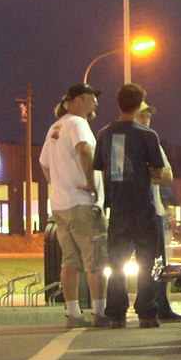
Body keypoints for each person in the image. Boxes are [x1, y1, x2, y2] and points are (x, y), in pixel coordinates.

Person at [94, 83, 171, 328]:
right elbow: (158, 172)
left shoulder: (104, 134)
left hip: (117, 207)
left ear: (118, 104)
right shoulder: (148, 135)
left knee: (116, 262)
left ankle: (116, 312)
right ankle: (146, 312)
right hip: (143, 206)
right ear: (139, 105)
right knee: (147, 261)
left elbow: (101, 167)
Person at [38, 82, 114, 328]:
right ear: (79, 99)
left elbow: (44, 164)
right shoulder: (78, 123)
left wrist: (58, 184)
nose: (96, 103)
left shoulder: (55, 127)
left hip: (60, 205)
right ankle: (100, 312)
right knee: (95, 259)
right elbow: (84, 150)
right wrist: (90, 182)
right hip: (82, 203)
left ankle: (73, 314)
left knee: (69, 261)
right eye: (93, 98)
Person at [135, 103, 181, 321]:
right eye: (142, 115)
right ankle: (137, 306)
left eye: (148, 116)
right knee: (129, 262)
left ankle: (160, 305)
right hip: (131, 209)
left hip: (153, 209)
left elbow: (168, 175)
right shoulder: (120, 140)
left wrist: (144, 173)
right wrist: (151, 172)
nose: (146, 120)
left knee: (157, 262)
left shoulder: (153, 142)